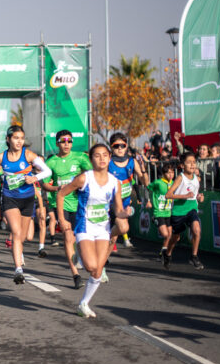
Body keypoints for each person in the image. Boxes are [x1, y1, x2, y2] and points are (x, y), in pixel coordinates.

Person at [57, 143, 133, 318]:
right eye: (97, 155)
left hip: (103, 228)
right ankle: (79, 252)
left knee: (98, 270)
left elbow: (118, 208)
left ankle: (84, 303)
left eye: (105, 155)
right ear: (91, 159)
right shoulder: (85, 178)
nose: (102, 159)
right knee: (91, 265)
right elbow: (61, 194)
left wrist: (124, 213)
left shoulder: (115, 182)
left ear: (109, 158)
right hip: (85, 226)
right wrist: (62, 219)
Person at [0, 125, 52, 284]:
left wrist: (35, 178)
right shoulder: (2, 157)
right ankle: (18, 270)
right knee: (16, 231)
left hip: (27, 198)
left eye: (21, 138)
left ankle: (19, 253)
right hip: (9, 197)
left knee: (25, 236)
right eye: (16, 138)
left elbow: (47, 171)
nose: (19, 141)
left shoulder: (28, 155)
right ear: (8, 139)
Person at [42, 130, 92, 289]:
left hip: (81, 205)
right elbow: (44, 184)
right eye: (63, 141)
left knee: (84, 239)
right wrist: (58, 188)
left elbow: (93, 174)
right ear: (57, 143)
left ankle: (89, 261)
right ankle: (75, 275)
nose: (66, 144)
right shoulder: (51, 162)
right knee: (68, 238)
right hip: (62, 205)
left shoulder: (80, 157)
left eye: (69, 141)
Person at [164, 152, 205, 270]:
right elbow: (168, 195)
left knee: (197, 229)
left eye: (194, 162)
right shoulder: (180, 178)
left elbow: (195, 194)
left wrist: (199, 198)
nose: (192, 165)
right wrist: (184, 196)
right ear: (182, 165)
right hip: (178, 211)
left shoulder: (197, 178)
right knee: (175, 238)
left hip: (191, 208)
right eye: (189, 162)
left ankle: (194, 256)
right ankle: (168, 254)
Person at [107, 132, 148, 253]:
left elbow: (145, 182)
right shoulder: (108, 162)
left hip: (125, 200)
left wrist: (143, 168)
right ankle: (104, 246)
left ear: (126, 146)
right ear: (111, 147)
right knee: (122, 227)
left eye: (122, 145)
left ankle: (103, 259)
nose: (120, 148)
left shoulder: (132, 162)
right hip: (110, 201)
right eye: (116, 146)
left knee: (118, 233)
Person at [146, 161, 175, 263]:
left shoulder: (173, 183)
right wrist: (148, 200)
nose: (170, 175)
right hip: (159, 213)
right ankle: (164, 254)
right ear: (163, 174)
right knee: (166, 235)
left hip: (168, 213)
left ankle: (161, 254)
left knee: (170, 236)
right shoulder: (158, 182)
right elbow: (147, 188)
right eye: (168, 173)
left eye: (172, 172)